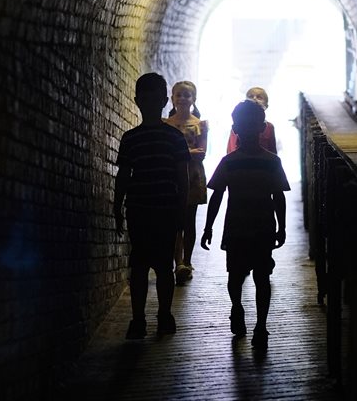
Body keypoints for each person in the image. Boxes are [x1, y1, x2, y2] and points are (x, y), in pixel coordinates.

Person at [201, 100, 290, 349]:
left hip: (239, 228)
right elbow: (278, 196)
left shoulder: (230, 161)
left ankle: (247, 315)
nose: (248, 130)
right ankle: (257, 323)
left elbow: (217, 194)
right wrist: (281, 227)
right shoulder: (271, 162)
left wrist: (209, 227)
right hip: (261, 227)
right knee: (259, 278)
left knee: (237, 276)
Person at [114, 73, 190, 339]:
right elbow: (181, 177)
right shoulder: (173, 138)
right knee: (155, 265)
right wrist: (117, 205)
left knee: (145, 265)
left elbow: (125, 176)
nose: (147, 100)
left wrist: (118, 205)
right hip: (156, 210)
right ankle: (159, 317)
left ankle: (143, 319)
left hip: (145, 209)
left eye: (150, 95)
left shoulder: (131, 138)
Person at [164, 80, 208, 285]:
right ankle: (178, 263)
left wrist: (179, 154)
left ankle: (187, 262)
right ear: (172, 98)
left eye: (187, 95)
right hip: (171, 177)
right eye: (178, 94)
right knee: (174, 221)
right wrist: (189, 152)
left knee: (189, 220)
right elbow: (166, 154)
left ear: (194, 99)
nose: (182, 98)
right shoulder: (165, 124)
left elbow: (202, 153)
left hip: (193, 176)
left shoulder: (201, 125)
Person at [226, 87, 277, 154]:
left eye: (259, 97)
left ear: (266, 105)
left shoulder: (269, 127)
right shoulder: (238, 124)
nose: (254, 99)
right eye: (251, 96)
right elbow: (231, 149)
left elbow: (272, 150)